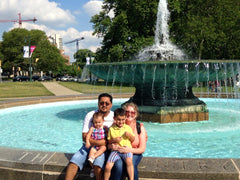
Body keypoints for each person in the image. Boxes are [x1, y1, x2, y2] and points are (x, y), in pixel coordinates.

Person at [65, 93, 114, 180]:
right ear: (98, 103)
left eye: (107, 103)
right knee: (74, 162)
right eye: (101, 103)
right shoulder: (90, 115)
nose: (104, 105)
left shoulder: (114, 117)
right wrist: (100, 142)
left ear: (111, 105)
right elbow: (84, 137)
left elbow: (114, 138)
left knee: (98, 165)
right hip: (88, 146)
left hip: (103, 148)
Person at [110, 102, 147, 180]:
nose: (129, 114)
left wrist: (129, 150)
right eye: (127, 112)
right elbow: (108, 142)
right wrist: (112, 146)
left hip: (134, 152)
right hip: (118, 152)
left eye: (132, 112)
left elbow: (142, 149)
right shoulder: (115, 125)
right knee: (118, 166)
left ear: (136, 114)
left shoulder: (139, 127)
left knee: (132, 164)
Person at [104, 108, 135, 180]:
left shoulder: (127, 128)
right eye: (118, 119)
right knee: (108, 166)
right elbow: (109, 140)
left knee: (129, 161)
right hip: (116, 150)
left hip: (125, 149)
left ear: (125, 118)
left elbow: (133, 139)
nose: (121, 122)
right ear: (114, 118)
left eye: (123, 119)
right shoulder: (112, 129)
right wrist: (114, 140)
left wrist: (129, 135)